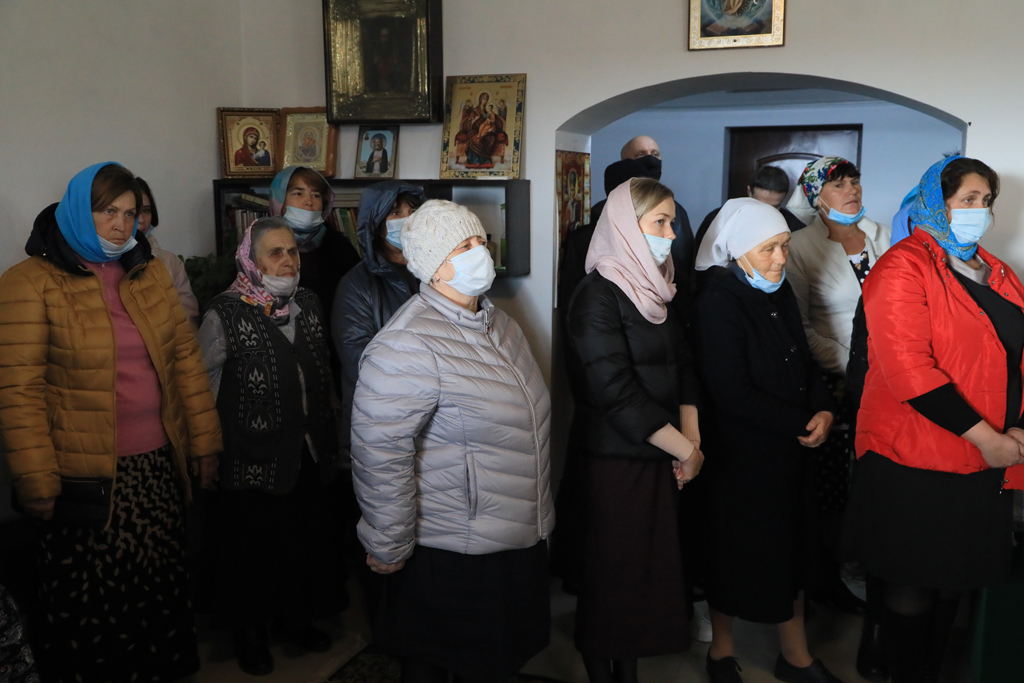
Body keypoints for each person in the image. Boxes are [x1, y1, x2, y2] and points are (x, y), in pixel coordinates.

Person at [0, 162, 222, 683]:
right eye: (108, 213)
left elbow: (185, 362)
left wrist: (204, 443)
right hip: (83, 476)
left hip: (155, 467)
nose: (122, 226)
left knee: (157, 587)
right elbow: (19, 392)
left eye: (131, 213)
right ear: (79, 211)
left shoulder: (149, 274)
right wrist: (35, 480)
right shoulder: (28, 283)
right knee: (93, 603)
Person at [351, 200, 553, 683]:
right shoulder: (407, 343)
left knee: (499, 662)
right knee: (446, 662)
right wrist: (389, 542)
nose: (480, 252)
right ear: (434, 264)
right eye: (464, 246)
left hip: (512, 535)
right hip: (452, 551)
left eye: (481, 241)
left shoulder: (500, 324)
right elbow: (381, 455)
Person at [841, 156, 1024, 683]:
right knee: (913, 585)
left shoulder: (996, 271)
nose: (979, 211)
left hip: (984, 458)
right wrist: (989, 439)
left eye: (986, 201)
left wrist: (1017, 428)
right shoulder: (902, 266)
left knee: (953, 584)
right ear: (935, 203)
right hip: (916, 458)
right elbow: (908, 369)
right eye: (967, 200)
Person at [694, 198, 842, 683]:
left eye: (784, 246)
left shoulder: (778, 290)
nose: (780, 259)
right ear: (738, 252)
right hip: (741, 457)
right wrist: (802, 422)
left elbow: (804, 359)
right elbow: (731, 391)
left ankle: (795, 656)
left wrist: (824, 408)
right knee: (734, 554)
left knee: (791, 552)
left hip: (790, 451)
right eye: (768, 249)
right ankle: (722, 652)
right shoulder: (718, 301)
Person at [565, 178, 703, 683]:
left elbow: (684, 365)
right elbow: (615, 393)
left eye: (672, 222)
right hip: (616, 461)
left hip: (660, 452)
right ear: (626, 226)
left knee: (645, 577)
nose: (671, 234)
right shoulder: (597, 295)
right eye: (659, 222)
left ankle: (629, 673)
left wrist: (691, 440)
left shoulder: (657, 285)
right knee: (613, 577)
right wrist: (685, 450)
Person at [198, 217, 346, 676]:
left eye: (292, 251)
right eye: (275, 253)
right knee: (251, 550)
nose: (287, 260)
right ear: (251, 260)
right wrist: (206, 451)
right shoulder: (223, 313)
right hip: (249, 455)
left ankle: (295, 620)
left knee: (299, 540)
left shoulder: (308, 303)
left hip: (306, 448)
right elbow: (203, 388)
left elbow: (322, 370)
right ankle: (250, 634)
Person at [785, 157, 890, 622]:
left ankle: (868, 566)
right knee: (833, 485)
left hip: (890, 378)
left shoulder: (881, 236)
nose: (852, 190)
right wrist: (856, 365)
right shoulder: (800, 247)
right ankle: (830, 574)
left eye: (854, 181)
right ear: (816, 197)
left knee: (876, 477)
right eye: (838, 185)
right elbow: (801, 327)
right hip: (837, 378)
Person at [331, 180, 426, 619]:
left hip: (433, 431)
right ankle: (384, 630)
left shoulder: (434, 272)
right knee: (384, 538)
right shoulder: (356, 285)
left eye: (411, 212)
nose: (405, 221)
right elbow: (363, 365)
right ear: (374, 222)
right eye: (394, 214)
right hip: (380, 430)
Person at [271, 165, 360, 381]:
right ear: (279, 201)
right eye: (298, 193)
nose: (308, 202)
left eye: (316, 195)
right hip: (277, 361)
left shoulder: (341, 248)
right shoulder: (259, 247)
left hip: (336, 359)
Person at [694, 165, 806, 267]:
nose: (767, 213)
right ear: (749, 191)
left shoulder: (795, 226)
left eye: (774, 208)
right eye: (759, 205)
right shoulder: (719, 219)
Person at [620, 135, 694, 272]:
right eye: (641, 155)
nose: (650, 159)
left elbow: (687, 255)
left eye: (655, 154)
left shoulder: (678, 210)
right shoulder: (611, 210)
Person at [135, 176, 200, 326]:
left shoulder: (171, 262)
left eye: (146, 210)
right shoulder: (107, 262)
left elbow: (188, 317)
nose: (142, 220)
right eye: (133, 212)